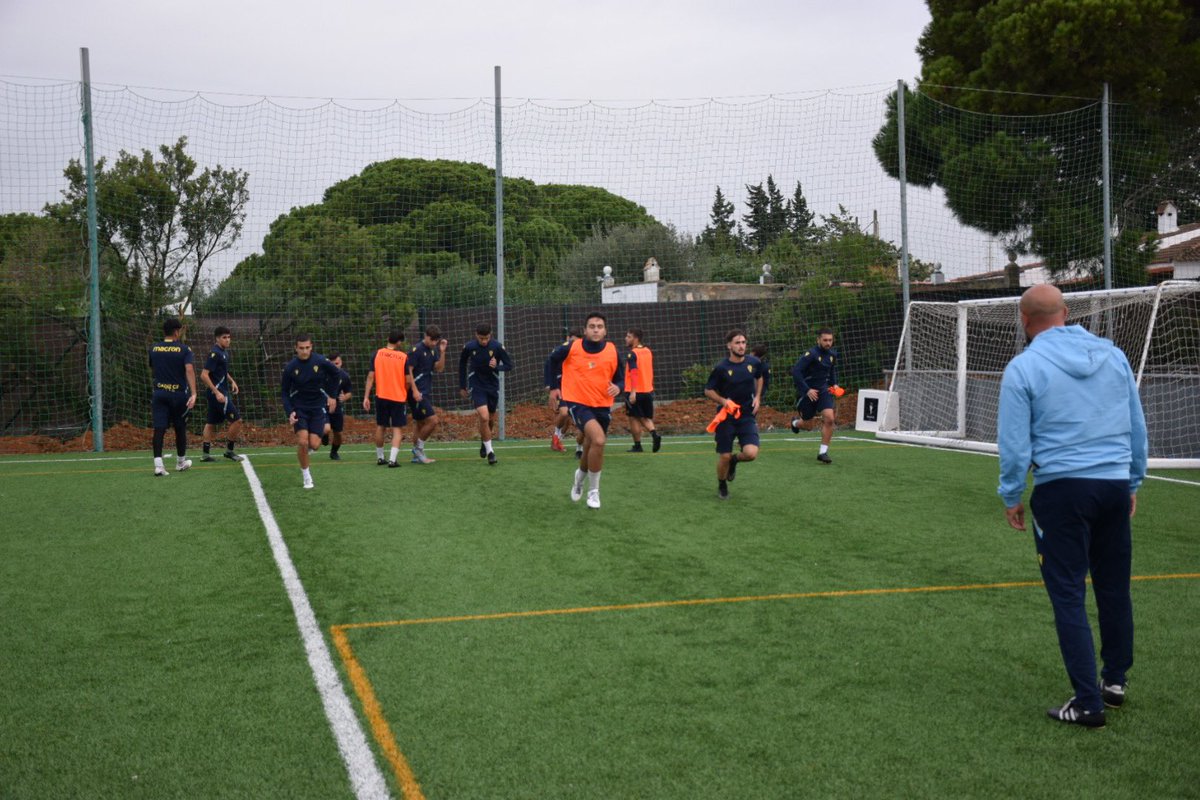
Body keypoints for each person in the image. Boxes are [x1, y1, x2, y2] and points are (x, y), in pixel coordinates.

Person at [997, 284, 1147, 728]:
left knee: (1067, 592)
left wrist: (1011, 494)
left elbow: (1014, 444)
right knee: (1114, 586)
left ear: (1024, 321)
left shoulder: (1024, 367)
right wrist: (1132, 479)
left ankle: (1087, 703)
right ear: (1065, 313)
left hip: (1063, 489)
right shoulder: (1113, 355)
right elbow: (1136, 424)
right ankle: (1114, 682)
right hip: (1113, 485)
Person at [547, 312, 624, 509]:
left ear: (605, 330)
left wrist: (619, 387)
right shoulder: (573, 347)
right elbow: (551, 361)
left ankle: (579, 478)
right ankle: (594, 492)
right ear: (585, 330)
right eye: (592, 326)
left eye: (599, 326)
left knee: (591, 444)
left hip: (602, 405)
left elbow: (620, 378)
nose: (596, 329)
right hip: (576, 403)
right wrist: (554, 388)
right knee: (598, 440)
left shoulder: (612, 350)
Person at [704, 329, 763, 500]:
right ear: (729, 345)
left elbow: (760, 377)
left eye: (743, 342)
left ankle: (735, 461)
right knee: (724, 455)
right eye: (737, 343)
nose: (741, 346)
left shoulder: (753, 363)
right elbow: (708, 390)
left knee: (751, 453)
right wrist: (724, 401)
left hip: (746, 416)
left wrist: (758, 397)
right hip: (726, 416)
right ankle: (722, 484)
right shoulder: (721, 368)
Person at [280, 333, 341, 489]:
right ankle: (307, 476)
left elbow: (336, 374)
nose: (305, 351)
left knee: (314, 444)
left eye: (307, 348)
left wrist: (333, 396)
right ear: (296, 348)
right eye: (301, 348)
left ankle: (306, 451)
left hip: (318, 407)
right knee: (302, 441)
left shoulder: (320, 361)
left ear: (311, 347)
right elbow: (285, 393)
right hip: (299, 407)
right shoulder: (290, 368)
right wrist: (290, 412)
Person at [458, 322, 513, 466]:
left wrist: (497, 366)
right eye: (481, 338)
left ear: (491, 335)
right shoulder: (469, 347)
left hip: (492, 386)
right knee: (484, 416)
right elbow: (462, 365)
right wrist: (462, 386)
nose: (484, 341)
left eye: (487, 338)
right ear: (476, 335)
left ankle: (484, 442)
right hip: (476, 385)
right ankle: (491, 452)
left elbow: (509, 365)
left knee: (490, 420)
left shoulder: (497, 347)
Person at [148, 317, 197, 476]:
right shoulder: (184, 349)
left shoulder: (154, 348)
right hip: (178, 395)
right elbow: (189, 370)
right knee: (180, 427)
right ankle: (180, 463)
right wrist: (194, 393)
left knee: (159, 428)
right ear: (177, 331)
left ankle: (158, 466)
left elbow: (153, 368)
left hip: (160, 394)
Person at [363, 329, 417, 468]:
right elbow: (408, 381)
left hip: (381, 396)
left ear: (388, 338)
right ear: (399, 342)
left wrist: (366, 397)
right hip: (398, 397)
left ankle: (380, 458)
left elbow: (370, 377)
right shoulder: (403, 357)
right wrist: (404, 392)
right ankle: (393, 460)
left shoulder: (377, 354)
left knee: (381, 426)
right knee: (397, 428)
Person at [790, 328, 839, 464]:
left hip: (824, 391)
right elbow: (796, 372)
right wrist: (807, 390)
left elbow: (831, 372)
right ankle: (795, 423)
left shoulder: (832, 355)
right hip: (808, 392)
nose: (828, 343)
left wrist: (834, 385)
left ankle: (823, 452)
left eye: (830, 340)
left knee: (829, 418)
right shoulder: (810, 354)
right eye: (825, 340)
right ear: (818, 340)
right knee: (808, 424)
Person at [199, 326, 245, 463]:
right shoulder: (215, 353)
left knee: (210, 423)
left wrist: (232, 381)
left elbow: (222, 371)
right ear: (217, 338)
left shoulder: (224, 353)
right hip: (218, 395)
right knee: (237, 421)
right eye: (224, 337)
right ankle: (229, 451)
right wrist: (217, 392)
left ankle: (205, 455)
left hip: (220, 393)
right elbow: (203, 375)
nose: (227, 340)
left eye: (229, 337)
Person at [408, 325, 448, 464]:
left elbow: (439, 368)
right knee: (433, 420)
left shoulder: (433, 351)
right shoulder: (416, 350)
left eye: (436, 341)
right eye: (431, 340)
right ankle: (418, 449)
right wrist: (414, 390)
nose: (434, 343)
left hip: (424, 392)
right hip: (417, 393)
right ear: (425, 336)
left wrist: (442, 352)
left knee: (420, 424)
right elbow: (409, 372)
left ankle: (416, 456)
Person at [544, 327, 584, 458]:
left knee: (568, 418)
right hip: (561, 386)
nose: (574, 344)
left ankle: (557, 440)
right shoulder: (562, 350)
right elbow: (549, 363)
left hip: (576, 387)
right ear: (568, 338)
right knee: (564, 412)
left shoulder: (581, 351)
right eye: (572, 340)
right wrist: (549, 385)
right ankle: (556, 437)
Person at [623, 327, 662, 453]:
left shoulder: (632, 354)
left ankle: (638, 445)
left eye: (628, 336)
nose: (626, 339)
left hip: (634, 391)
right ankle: (654, 434)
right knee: (645, 417)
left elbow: (634, 372)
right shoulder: (647, 351)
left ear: (635, 339)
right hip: (647, 390)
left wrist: (633, 392)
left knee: (633, 417)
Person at [324, 353, 353, 460]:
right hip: (322, 405)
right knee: (326, 429)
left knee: (339, 434)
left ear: (341, 363)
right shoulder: (322, 374)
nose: (335, 366)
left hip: (336, 406)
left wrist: (345, 397)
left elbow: (349, 392)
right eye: (332, 364)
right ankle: (324, 435)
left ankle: (334, 452)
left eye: (337, 363)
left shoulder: (344, 376)